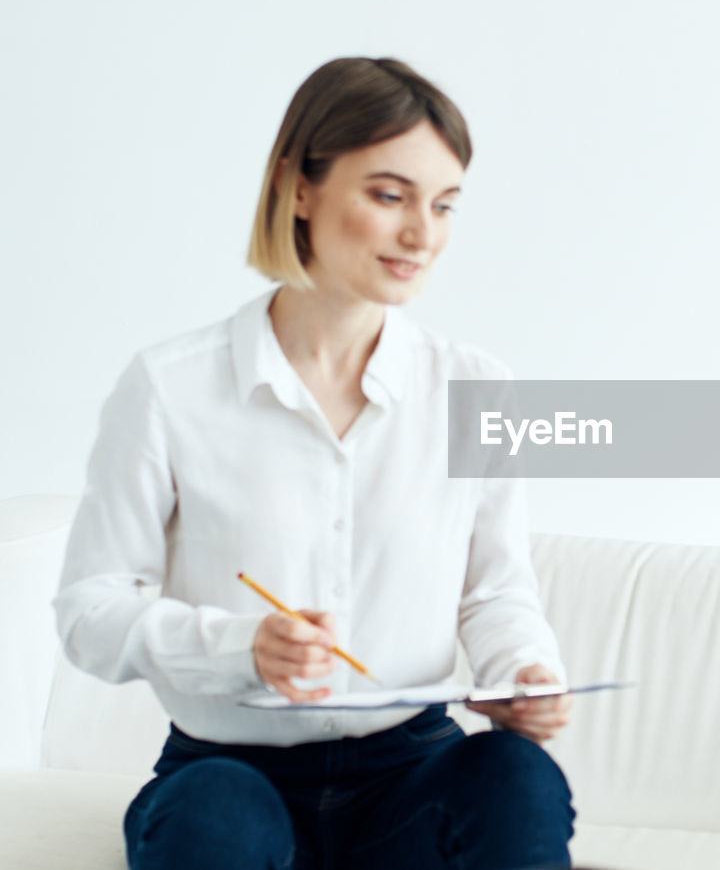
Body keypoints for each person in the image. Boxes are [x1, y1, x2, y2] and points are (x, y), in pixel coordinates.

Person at [53, 57, 576, 870]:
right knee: (215, 820)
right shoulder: (169, 385)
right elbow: (90, 611)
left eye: (443, 205)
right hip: (229, 773)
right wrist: (238, 647)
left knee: (516, 779)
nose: (422, 235)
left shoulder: (475, 386)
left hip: (409, 769)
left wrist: (523, 672)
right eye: (389, 195)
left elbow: (496, 591)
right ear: (299, 186)